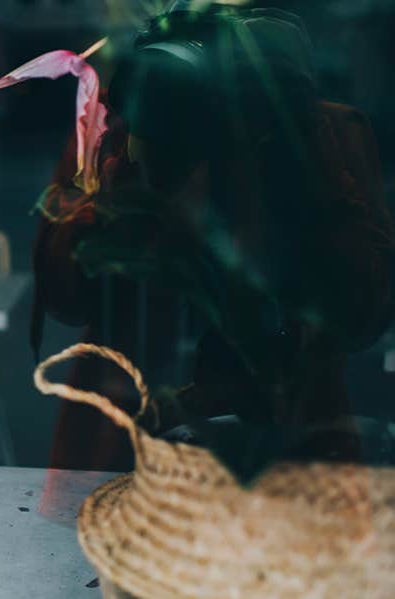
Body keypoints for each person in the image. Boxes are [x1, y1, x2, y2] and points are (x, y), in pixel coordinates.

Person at [32, 4, 394, 473]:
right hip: (129, 449)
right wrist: (119, 189)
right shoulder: (123, 129)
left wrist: (300, 142)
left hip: (289, 460)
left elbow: (363, 315)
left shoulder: (316, 134)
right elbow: (64, 297)